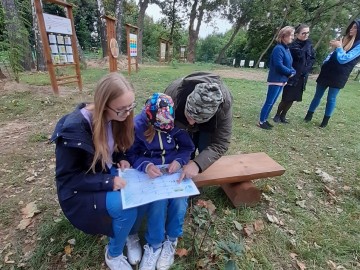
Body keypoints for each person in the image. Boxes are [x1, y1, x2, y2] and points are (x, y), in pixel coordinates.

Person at [51, 73, 138, 270]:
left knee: (136, 191)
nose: (127, 113)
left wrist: (121, 159)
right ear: (103, 104)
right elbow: (68, 178)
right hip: (78, 192)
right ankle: (114, 254)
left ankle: (129, 235)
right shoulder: (74, 129)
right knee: (126, 207)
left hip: (101, 174)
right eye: (122, 109)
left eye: (131, 106)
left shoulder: (115, 116)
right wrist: (108, 182)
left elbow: (109, 149)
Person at [125, 93, 195, 270]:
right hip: (149, 174)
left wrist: (179, 161)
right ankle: (154, 245)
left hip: (172, 172)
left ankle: (171, 240)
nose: (167, 128)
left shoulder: (175, 124)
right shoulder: (138, 126)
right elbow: (131, 154)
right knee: (158, 202)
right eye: (162, 126)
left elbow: (187, 148)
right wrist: (146, 165)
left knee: (180, 201)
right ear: (150, 120)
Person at [164, 71, 233, 181]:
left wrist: (198, 164)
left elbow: (220, 143)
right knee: (186, 143)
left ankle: (195, 176)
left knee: (204, 145)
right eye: (190, 116)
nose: (191, 123)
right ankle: (185, 169)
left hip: (208, 126)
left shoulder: (224, 106)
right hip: (180, 115)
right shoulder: (173, 95)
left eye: (198, 120)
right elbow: (163, 130)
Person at [304, 19, 360, 127]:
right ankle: (308, 115)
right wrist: (325, 62)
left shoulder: (359, 45)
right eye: (352, 26)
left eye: (355, 28)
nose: (351, 29)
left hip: (339, 75)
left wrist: (339, 47)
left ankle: (325, 122)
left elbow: (343, 59)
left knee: (331, 98)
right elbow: (332, 54)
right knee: (317, 96)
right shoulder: (344, 39)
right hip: (327, 71)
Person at [273, 24, 315, 123]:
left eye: (307, 33)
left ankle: (283, 115)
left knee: (293, 98)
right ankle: (277, 115)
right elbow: (292, 58)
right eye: (303, 33)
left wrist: (307, 69)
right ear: (296, 34)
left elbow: (312, 58)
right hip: (292, 75)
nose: (306, 35)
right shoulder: (292, 45)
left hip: (302, 76)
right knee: (287, 97)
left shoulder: (309, 45)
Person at [258, 26, 296, 129]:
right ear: (284, 36)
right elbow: (278, 65)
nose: (293, 37)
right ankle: (261, 121)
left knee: (273, 102)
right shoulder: (278, 49)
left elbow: (288, 63)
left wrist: (293, 70)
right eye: (291, 35)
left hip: (282, 80)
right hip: (276, 79)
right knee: (269, 101)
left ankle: (265, 120)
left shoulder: (286, 49)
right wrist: (289, 73)